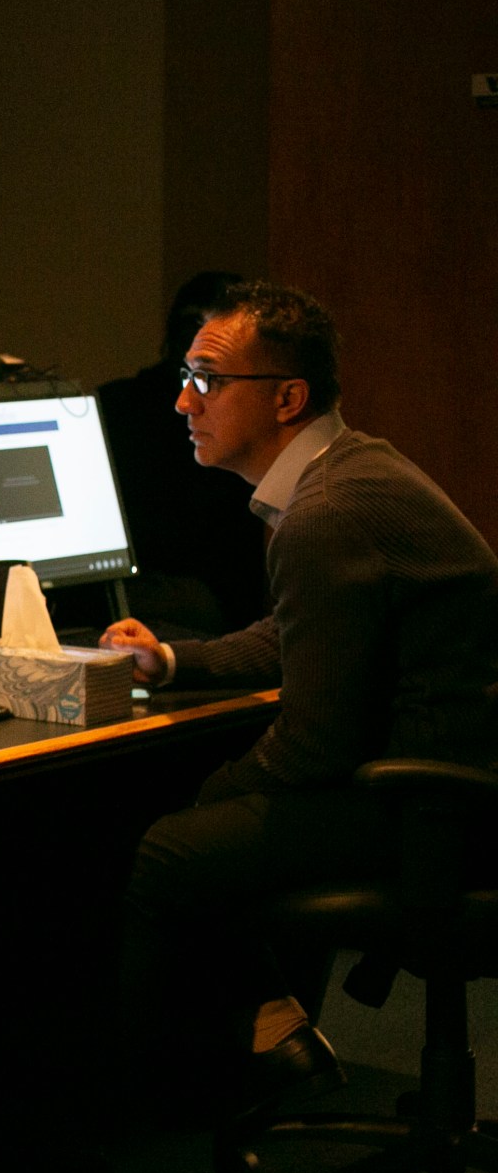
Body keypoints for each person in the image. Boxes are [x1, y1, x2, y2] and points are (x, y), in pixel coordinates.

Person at [100, 281, 498, 1118]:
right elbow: (293, 632)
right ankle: (275, 1035)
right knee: (202, 817)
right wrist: (171, 660)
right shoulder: (351, 470)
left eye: (207, 380)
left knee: (172, 848)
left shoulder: (326, 513)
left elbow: (314, 748)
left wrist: (212, 794)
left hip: (438, 809)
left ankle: (132, 1100)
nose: (182, 401)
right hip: (452, 777)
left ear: (287, 397)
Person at [96, 271, 267, 637]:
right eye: (190, 324)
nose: (186, 404)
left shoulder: (240, 416)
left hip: (213, 597)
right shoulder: (118, 405)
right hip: (134, 580)